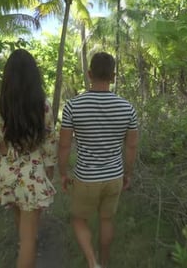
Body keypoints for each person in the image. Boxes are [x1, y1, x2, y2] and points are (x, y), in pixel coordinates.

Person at [0, 49, 56, 268]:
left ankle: (25, 251)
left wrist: (2, 149)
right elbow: (49, 144)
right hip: (33, 173)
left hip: (7, 173)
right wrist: (50, 173)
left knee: (23, 229)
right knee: (30, 239)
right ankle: (27, 254)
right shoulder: (43, 104)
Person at [58, 52, 139, 268]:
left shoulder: (73, 106)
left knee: (78, 219)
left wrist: (63, 173)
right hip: (114, 177)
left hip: (86, 177)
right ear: (113, 76)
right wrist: (127, 174)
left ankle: (93, 263)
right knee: (106, 220)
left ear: (89, 74)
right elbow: (131, 146)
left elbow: (65, 145)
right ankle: (103, 262)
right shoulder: (127, 108)